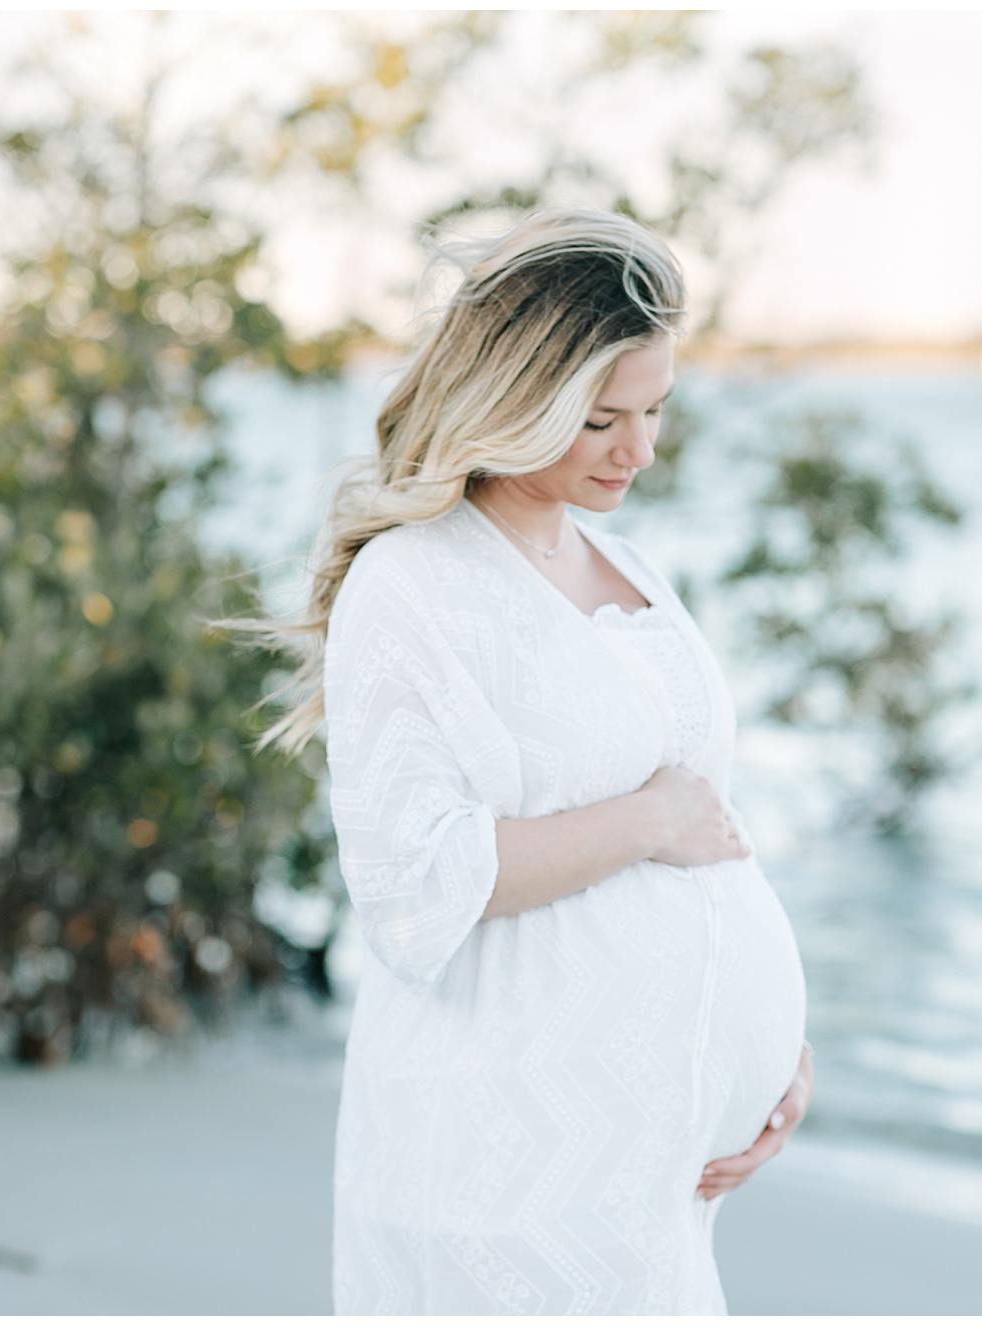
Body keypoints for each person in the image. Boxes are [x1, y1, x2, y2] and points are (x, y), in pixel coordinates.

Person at [263, 207, 812, 1314]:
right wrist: (644, 825)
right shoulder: (413, 586)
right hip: (507, 1178)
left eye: (655, 410)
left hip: (650, 1182)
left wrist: (769, 1062)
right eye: (602, 417)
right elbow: (414, 890)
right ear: (516, 395)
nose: (640, 450)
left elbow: (711, 834)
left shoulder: (622, 558)